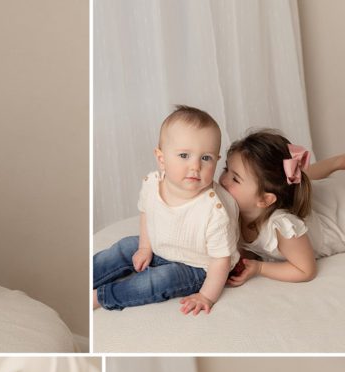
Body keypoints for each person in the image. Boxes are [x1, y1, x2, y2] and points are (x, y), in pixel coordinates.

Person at [93, 105, 239, 315]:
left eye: (205, 158)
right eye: (184, 155)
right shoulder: (152, 184)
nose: (195, 166)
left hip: (197, 265)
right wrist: (145, 247)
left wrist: (206, 295)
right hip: (160, 247)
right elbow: (147, 214)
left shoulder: (214, 211)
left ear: (216, 161)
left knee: (162, 279)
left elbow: (220, 260)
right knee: (125, 246)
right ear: (161, 159)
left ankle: (102, 296)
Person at [219, 130, 345, 285]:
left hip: (338, 214)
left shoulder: (282, 228)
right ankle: (337, 162)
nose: (223, 180)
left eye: (235, 179)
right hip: (319, 199)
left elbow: (306, 270)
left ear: (265, 200)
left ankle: (337, 162)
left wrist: (260, 268)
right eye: (226, 169)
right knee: (297, 179)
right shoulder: (235, 209)